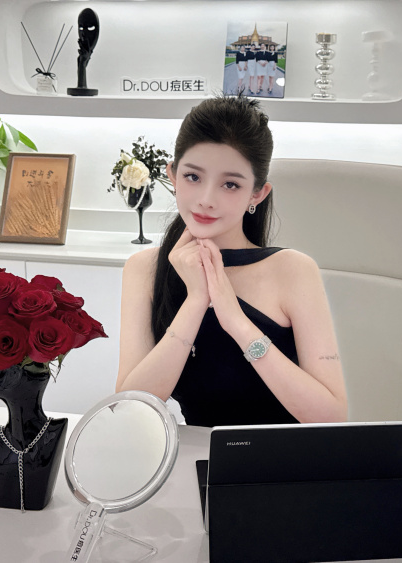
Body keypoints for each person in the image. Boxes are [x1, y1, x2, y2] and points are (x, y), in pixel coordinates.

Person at [115, 94, 347, 427]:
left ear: (257, 194)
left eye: (230, 184)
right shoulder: (145, 270)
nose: (206, 200)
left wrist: (236, 321)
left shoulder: (292, 270)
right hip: (195, 454)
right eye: (193, 177)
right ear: (172, 175)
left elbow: (331, 417)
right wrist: (196, 301)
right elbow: (129, 409)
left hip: (282, 456)